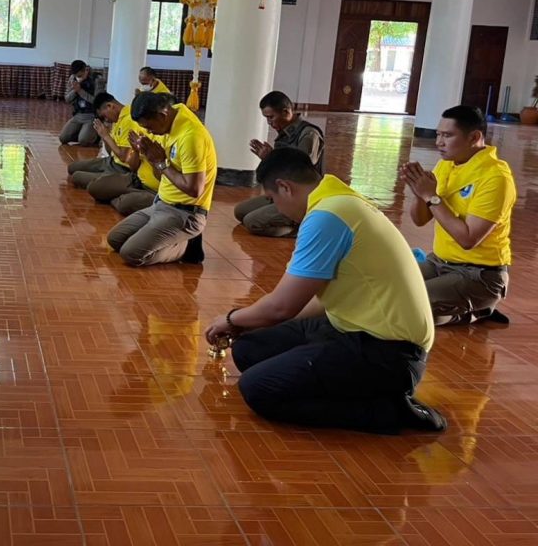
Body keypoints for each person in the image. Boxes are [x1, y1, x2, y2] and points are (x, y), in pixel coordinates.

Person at [205, 148, 444, 435]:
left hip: (391, 352)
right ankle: (344, 382)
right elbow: (311, 300)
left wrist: (231, 319)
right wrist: (247, 323)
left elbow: (282, 307)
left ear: (285, 187)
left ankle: (387, 410)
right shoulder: (335, 201)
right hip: (353, 327)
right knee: (249, 347)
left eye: (272, 199)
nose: (276, 208)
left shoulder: (327, 216)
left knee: (258, 388)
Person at [401, 105, 516, 326]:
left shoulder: (496, 177)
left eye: (447, 135)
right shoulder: (446, 165)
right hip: (438, 263)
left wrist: (431, 196)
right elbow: (420, 220)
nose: (439, 142)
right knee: (385, 287)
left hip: (479, 275)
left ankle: (475, 307)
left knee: (407, 303)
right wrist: (419, 193)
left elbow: (468, 239)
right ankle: (464, 311)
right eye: (438, 134)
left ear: (474, 137)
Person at [107, 93, 216, 265]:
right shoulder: (169, 121)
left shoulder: (191, 136)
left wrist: (161, 163)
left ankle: (188, 248)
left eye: (149, 127)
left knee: (131, 254)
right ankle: (171, 236)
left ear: (162, 116)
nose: (149, 132)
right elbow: (160, 175)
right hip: (161, 204)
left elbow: (195, 190)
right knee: (115, 239)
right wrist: (150, 157)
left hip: (185, 213)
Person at [235, 91, 324, 238]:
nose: (269, 123)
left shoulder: (308, 134)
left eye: (271, 117)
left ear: (286, 112)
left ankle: (301, 228)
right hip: (282, 191)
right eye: (266, 118)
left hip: (300, 197)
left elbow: (299, 169)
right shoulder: (284, 133)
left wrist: (271, 157)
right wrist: (268, 159)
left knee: (252, 222)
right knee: (240, 212)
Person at [67, 93, 158, 215]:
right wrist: (105, 136)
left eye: (104, 116)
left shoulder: (129, 120)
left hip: (122, 169)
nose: (106, 120)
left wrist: (106, 136)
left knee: (81, 179)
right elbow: (117, 155)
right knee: (73, 169)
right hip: (119, 167)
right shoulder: (118, 119)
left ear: (110, 106)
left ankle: (114, 192)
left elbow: (124, 157)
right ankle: (113, 190)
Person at [59, 60, 104, 146]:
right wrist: (75, 91)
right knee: (63, 138)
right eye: (76, 76)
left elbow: (98, 102)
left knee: (84, 141)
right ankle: (84, 132)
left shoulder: (97, 79)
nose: (78, 78)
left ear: (86, 70)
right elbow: (67, 99)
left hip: (92, 116)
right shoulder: (72, 78)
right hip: (78, 115)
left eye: (80, 76)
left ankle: (95, 136)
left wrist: (80, 91)